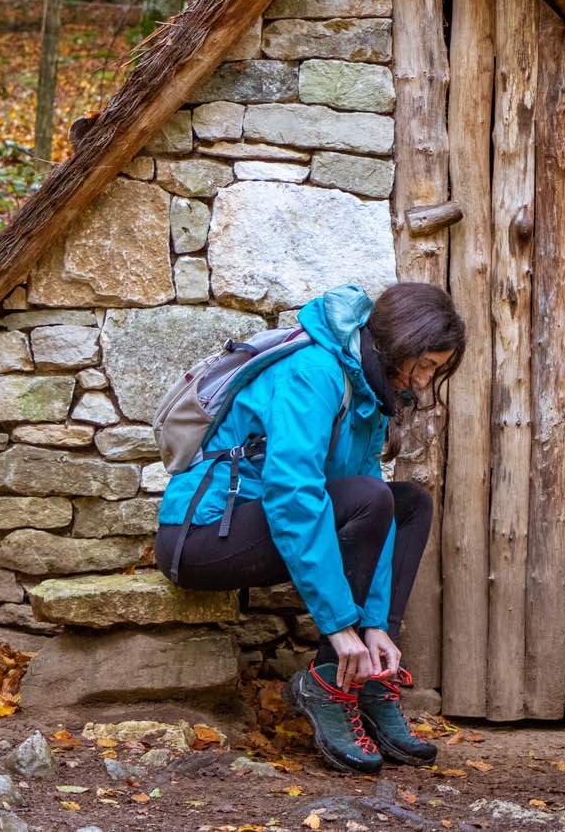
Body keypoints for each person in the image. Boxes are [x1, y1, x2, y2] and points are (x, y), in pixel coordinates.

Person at [154, 281, 464, 775]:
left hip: (257, 525)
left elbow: (375, 512)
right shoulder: (316, 372)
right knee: (370, 496)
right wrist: (340, 626)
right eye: (424, 364)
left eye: (435, 370)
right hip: (200, 538)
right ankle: (329, 682)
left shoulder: (369, 394)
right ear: (400, 344)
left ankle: (369, 679)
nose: (424, 382)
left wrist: (375, 624)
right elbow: (292, 496)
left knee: (408, 504)